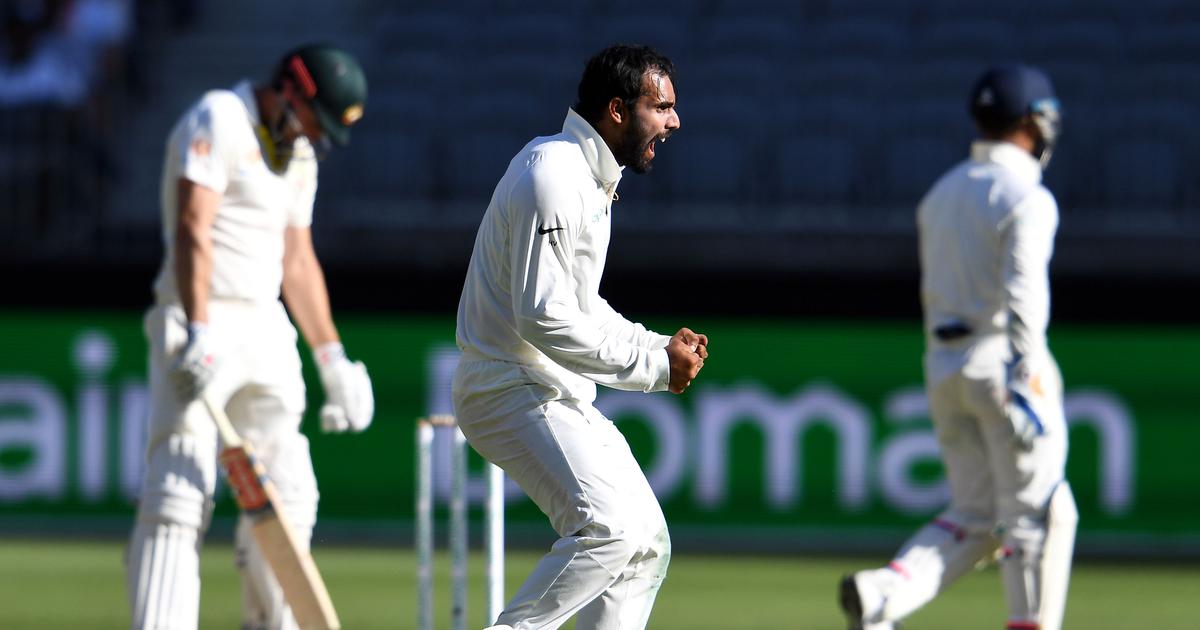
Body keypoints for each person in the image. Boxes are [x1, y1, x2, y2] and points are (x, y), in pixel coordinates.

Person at [453, 44, 706, 630]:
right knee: (609, 530)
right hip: (506, 385)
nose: (674, 122)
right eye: (661, 107)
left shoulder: (590, 179)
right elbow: (542, 316)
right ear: (617, 110)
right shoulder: (553, 173)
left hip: (548, 387)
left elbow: (580, 306)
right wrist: (653, 369)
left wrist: (655, 346)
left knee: (644, 545)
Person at [127, 43, 373, 630]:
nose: (313, 137)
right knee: (179, 487)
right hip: (198, 315)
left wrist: (333, 358)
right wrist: (198, 328)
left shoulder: (299, 156)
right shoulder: (219, 117)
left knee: (290, 491)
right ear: (291, 88)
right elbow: (193, 225)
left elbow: (298, 260)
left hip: (265, 322)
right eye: (314, 120)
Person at [839, 64, 1077, 630]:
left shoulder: (941, 193)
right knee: (1041, 514)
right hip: (1004, 364)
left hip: (945, 367)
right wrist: (1028, 377)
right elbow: (1024, 297)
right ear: (1032, 122)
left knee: (977, 515)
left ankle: (881, 597)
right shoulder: (1027, 196)